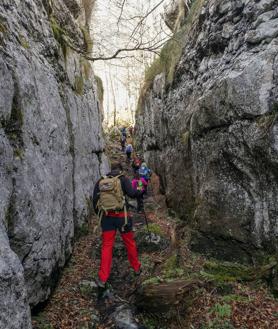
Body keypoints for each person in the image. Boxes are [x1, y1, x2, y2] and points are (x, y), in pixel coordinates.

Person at [93, 162, 142, 297]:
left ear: (110, 170)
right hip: (123, 218)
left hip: (107, 218)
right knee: (129, 243)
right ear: (120, 170)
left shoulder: (101, 181)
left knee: (107, 246)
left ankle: (103, 278)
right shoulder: (123, 179)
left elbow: (94, 202)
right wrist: (140, 189)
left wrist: (102, 215)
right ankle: (136, 268)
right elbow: (132, 194)